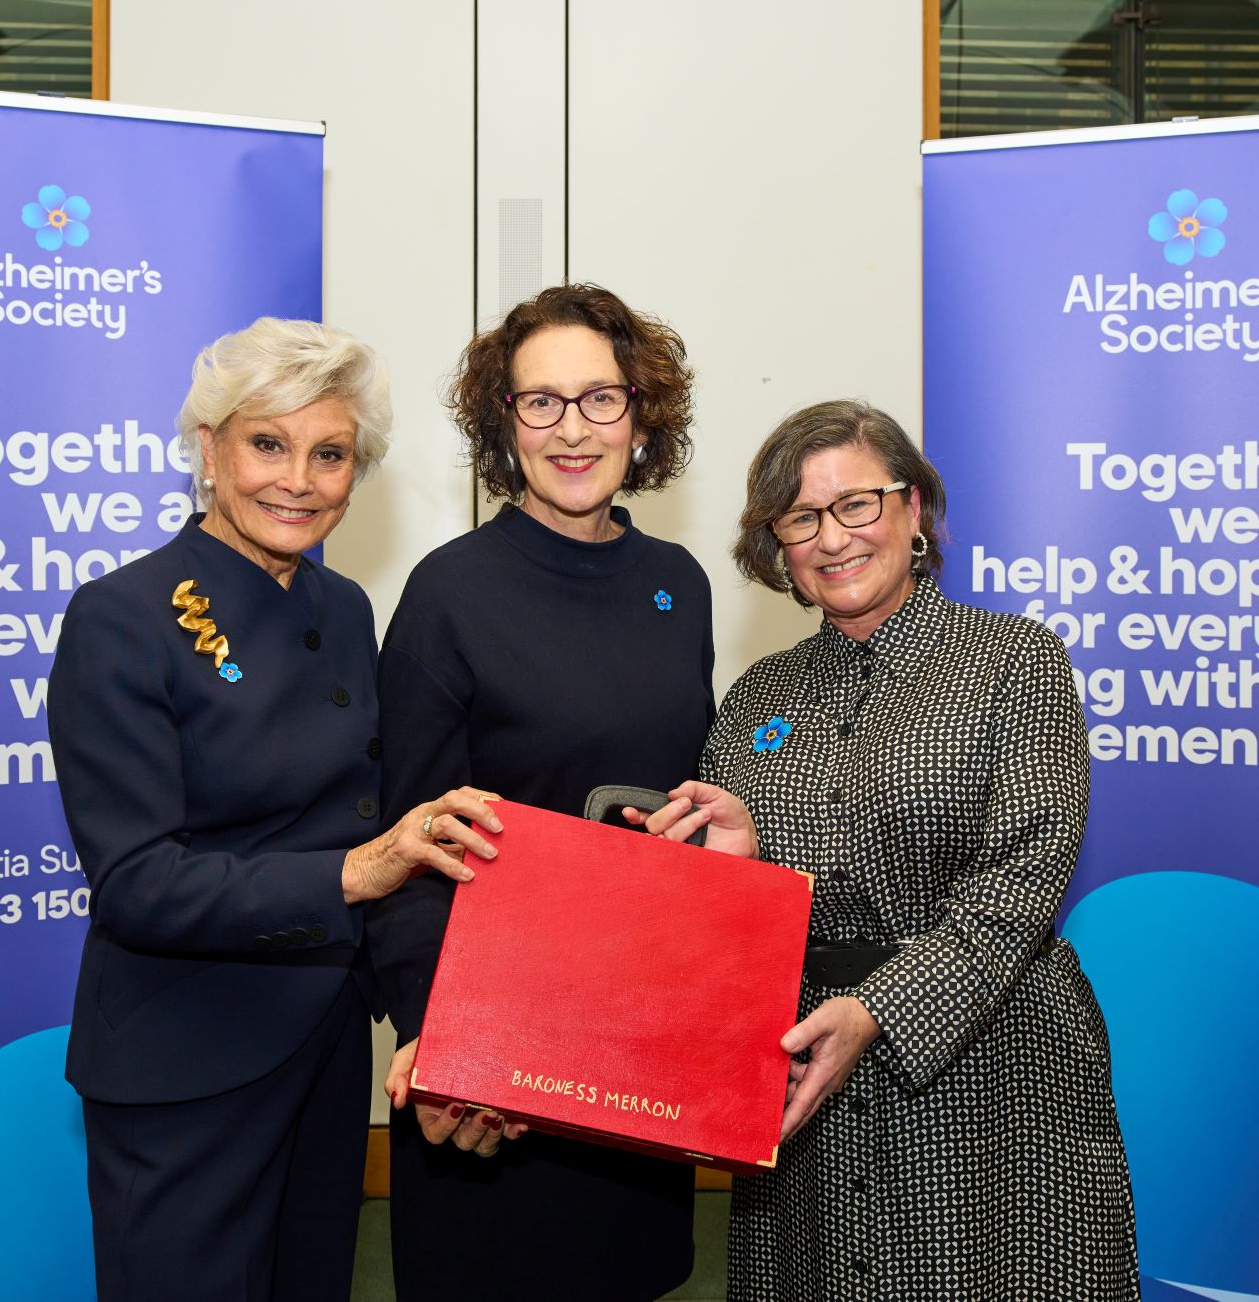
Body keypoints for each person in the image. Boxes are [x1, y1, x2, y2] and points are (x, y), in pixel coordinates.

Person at [639, 400, 1140, 1301]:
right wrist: (743, 869)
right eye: (801, 517)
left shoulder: (1015, 659)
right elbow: (734, 918)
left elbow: (1024, 873)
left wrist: (876, 1009)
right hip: (801, 1070)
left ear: (914, 509)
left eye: (857, 503)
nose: (832, 537)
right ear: (778, 547)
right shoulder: (758, 696)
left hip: (993, 1066)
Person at [48, 318, 505, 1301]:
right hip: (184, 1064)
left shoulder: (341, 609)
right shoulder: (120, 617)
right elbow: (136, 885)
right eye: (268, 442)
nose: (298, 478)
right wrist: (356, 870)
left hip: (323, 1050)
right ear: (208, 449)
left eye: (329, 453)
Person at [370, 284, 713, 1301]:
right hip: (491, 1066)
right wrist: (447, 1047)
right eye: (540, 403)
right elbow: (405, 841)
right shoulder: (448, 593)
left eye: (600, 399)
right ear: (502, 424)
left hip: (635, 1045)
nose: (573, 429)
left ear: (642, 416)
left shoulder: (678, 584)